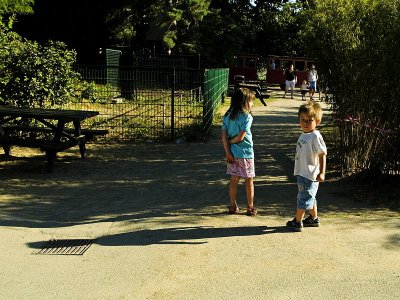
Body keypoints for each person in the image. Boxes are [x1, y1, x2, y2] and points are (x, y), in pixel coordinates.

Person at [286, 101, 327, 232]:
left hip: (309, 174)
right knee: (309, 196)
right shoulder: (305, 134)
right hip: (302, 172)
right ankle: (313, 218)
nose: (305, 123)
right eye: (302, 120)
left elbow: (322, 155)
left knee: (303, 198)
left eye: (309, 120)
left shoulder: (315, 136)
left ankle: (298, 221)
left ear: (317, 121)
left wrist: (322, 172)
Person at [221, 88, 257, 216]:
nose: (252, 104)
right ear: (244, 102)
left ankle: (232, 205)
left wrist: (227, 151)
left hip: (232, 154)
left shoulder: (227, 116)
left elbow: (224, 135)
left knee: (234, 179)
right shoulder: (246, 117)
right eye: (251, 101)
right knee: (249, 180)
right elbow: (242, 136)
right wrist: (232, 142)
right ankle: (250, 206)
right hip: (246, 153)